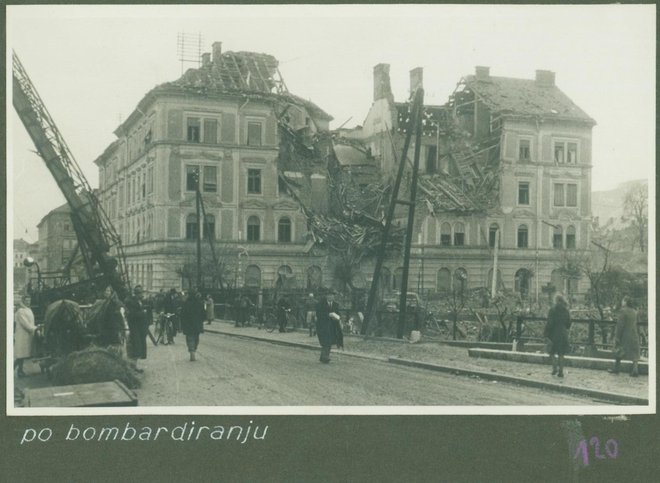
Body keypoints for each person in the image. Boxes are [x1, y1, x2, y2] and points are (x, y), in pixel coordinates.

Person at [609, 296, 641, 377]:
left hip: (625, 335)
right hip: (634, 334)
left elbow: (620, 325)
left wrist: (617, 337)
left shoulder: (623, 311)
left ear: (626, 302)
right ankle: (635, 370)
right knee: (634, 353)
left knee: (619, 350)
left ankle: (616, 369)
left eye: (623, 300)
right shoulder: (634, 311)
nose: (622, 302)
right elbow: (637, 324)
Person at [543, 293, 571, 377]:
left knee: (551, 351)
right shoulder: (566, 310)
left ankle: (554, 368)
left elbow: (550, 323)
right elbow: (568, 324)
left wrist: (546, 333)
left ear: (556, 300)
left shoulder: (553, 310)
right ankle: (561, 371)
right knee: (561, 353)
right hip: (563, 333)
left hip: (554, 333)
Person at [124, 285, 149, 373]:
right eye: (141, 293)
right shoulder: (132, 302)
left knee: (138, 347)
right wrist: (142, 313)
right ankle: (132, 367)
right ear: (137, 294)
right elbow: (132, 315)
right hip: (135, 328)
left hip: (139, 328)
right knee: (135, 347)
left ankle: (134, 366)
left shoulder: (137, 301)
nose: (142, 295)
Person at [315, 292, 342, 363]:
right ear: (326, 296)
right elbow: (319, 314)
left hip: (332, 326)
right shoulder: (320, 304)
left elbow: (338, 314)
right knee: (325, 341)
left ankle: (323, 357)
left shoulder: (336, 304)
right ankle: (325, 357)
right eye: (329, 296)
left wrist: (337, 317)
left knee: (329, 341)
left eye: (332, 296)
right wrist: (328, 315)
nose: (331, 297)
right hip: (323, 326)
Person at [14, 294, 38, 377]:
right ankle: (15, 370)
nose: (28, 302)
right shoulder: (20, 311)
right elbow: (25, 323)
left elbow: (30, 322)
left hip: (27, 335)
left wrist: (34, 328)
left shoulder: (28, 309)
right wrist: (35, 328)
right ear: (23, 301)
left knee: (23, 355)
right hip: (22, 335)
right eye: (26, 301)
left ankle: (19, 371)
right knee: (20, 355)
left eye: (29, 301)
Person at [180, 288, 206, 361]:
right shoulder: (199, 303)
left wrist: (182, 324)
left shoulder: (186, 303)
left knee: (189, 338)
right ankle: (194, 348)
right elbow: (204, 314)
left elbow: (182, 314)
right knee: (196, 337)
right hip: (197, 324)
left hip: (188, 324)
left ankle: (192, 351)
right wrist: (201, 320)